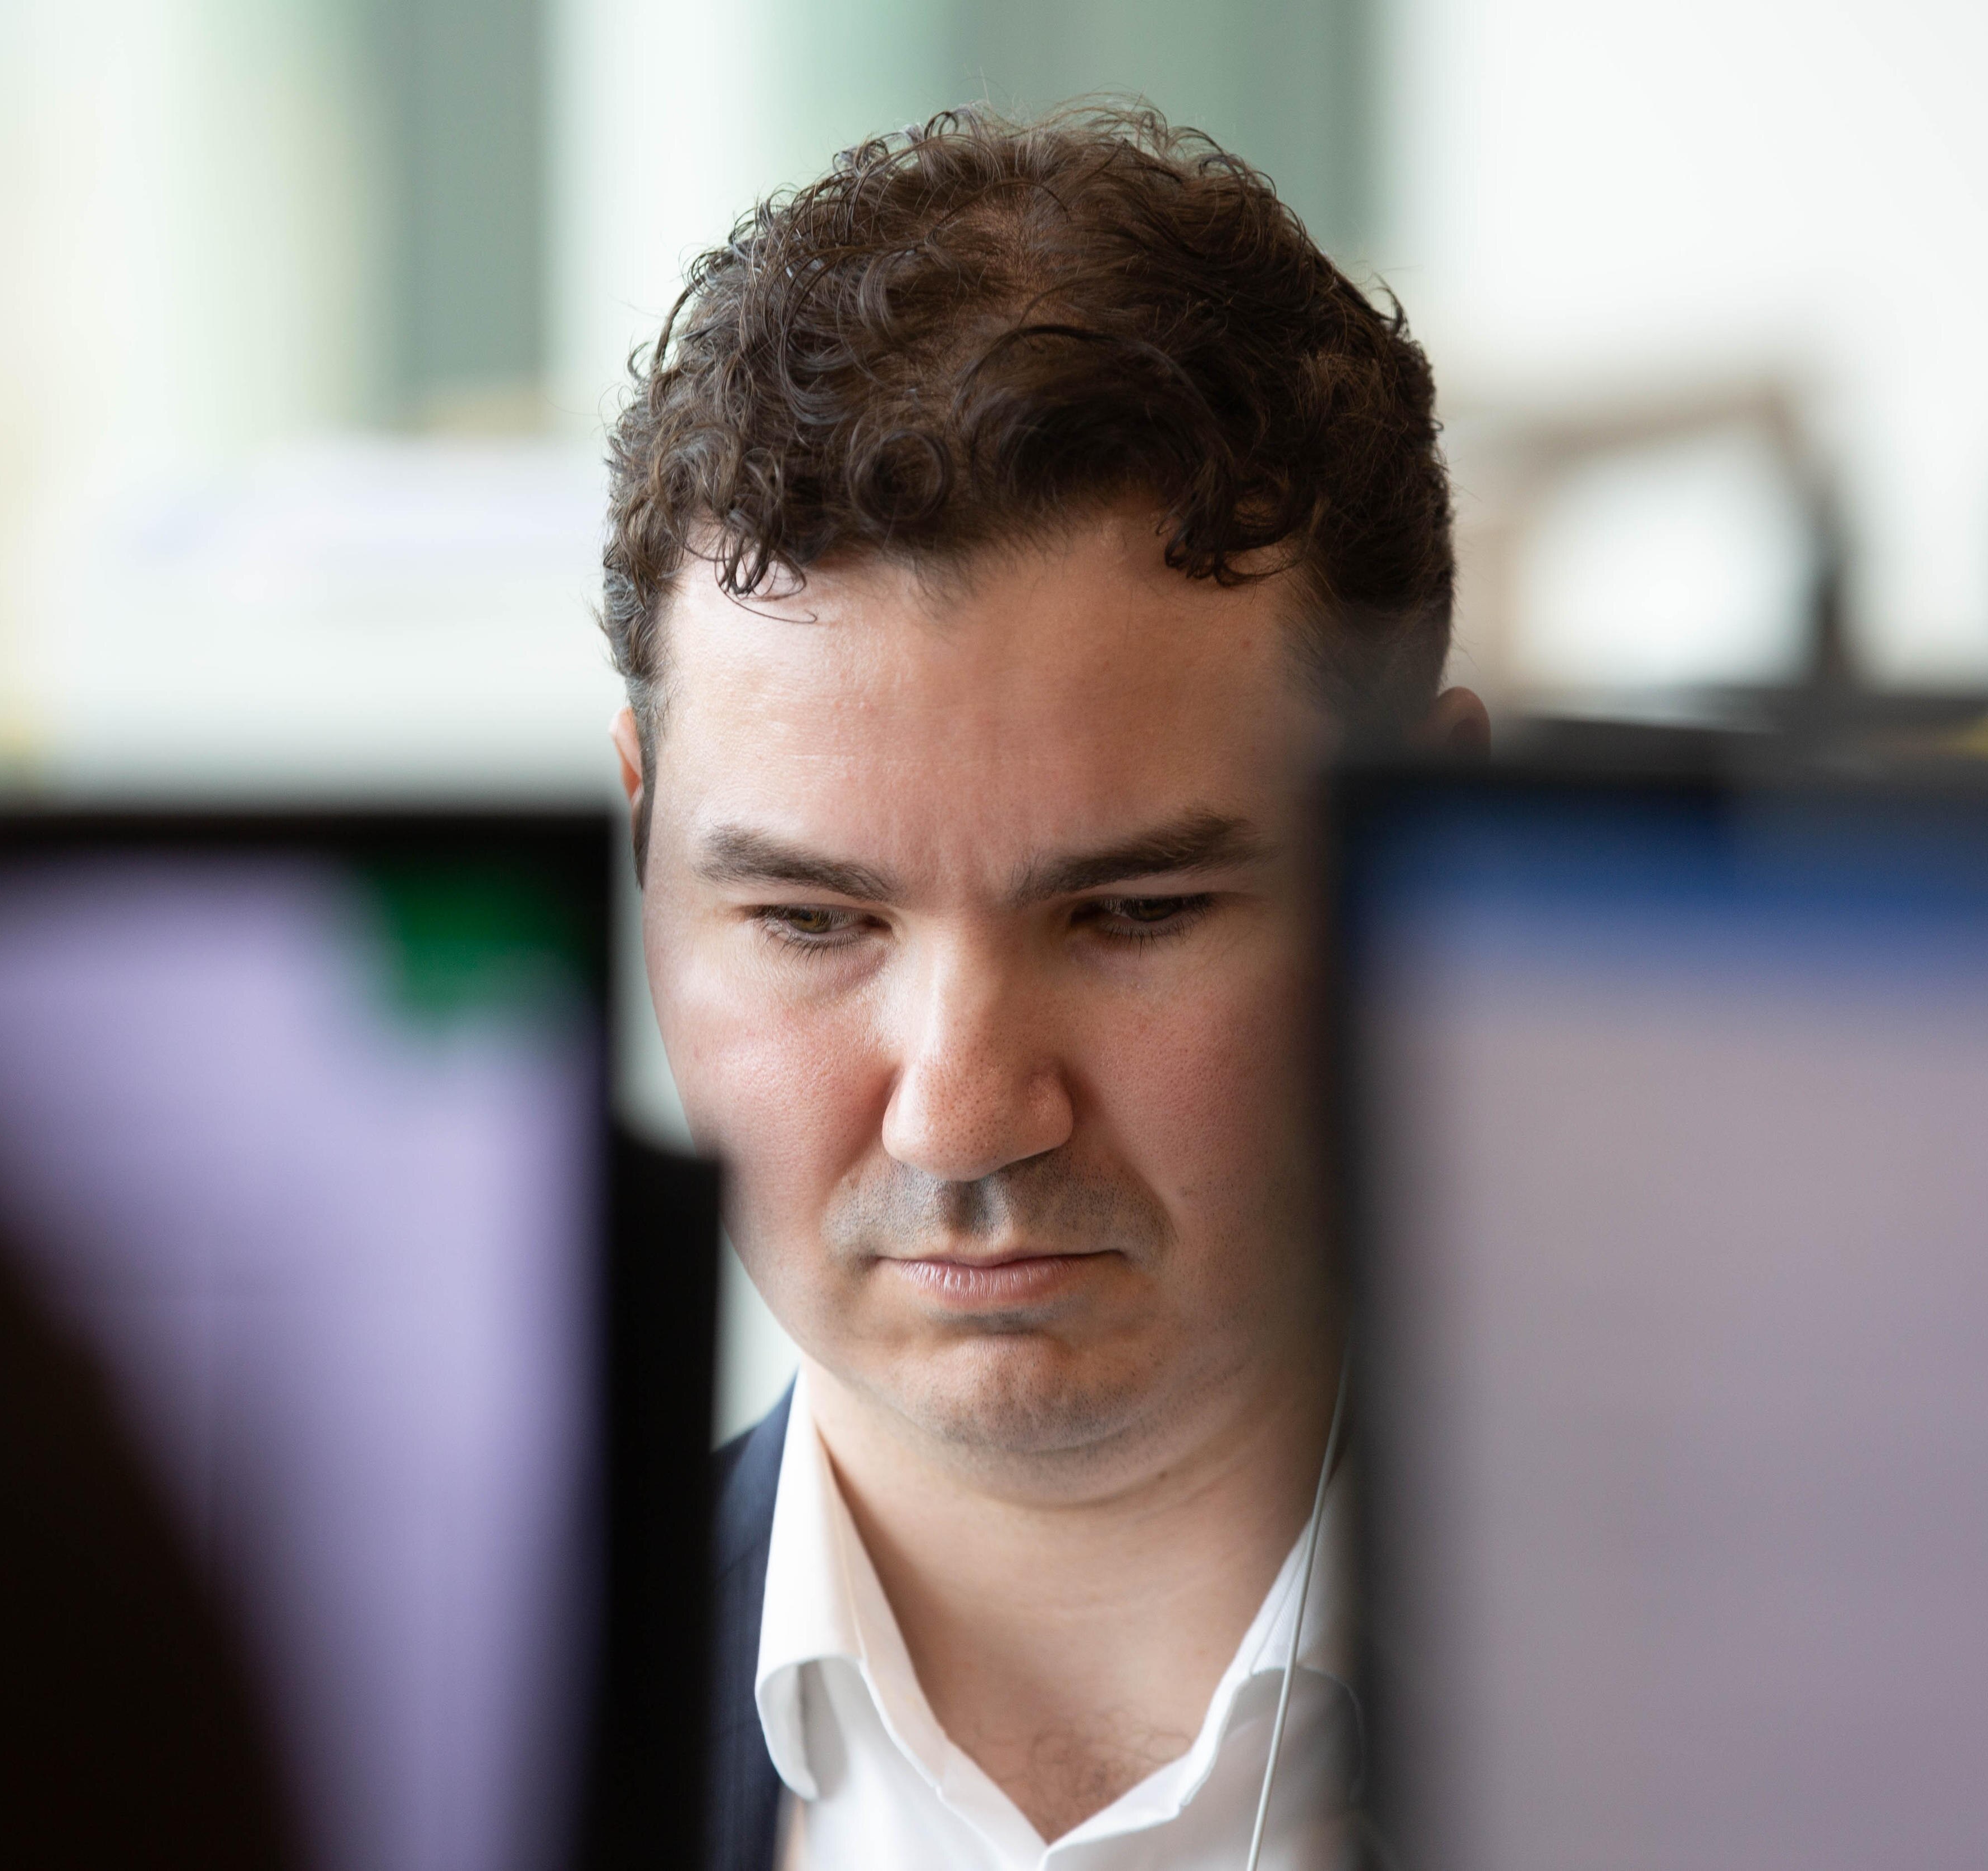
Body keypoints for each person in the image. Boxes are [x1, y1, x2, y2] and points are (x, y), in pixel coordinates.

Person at [601, 105, 1482, 1871]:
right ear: (644, 856)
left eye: (1134, 912)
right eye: (809, 921)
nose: (963, 1112)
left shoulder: (1842, 1749)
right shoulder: (382, 1755)